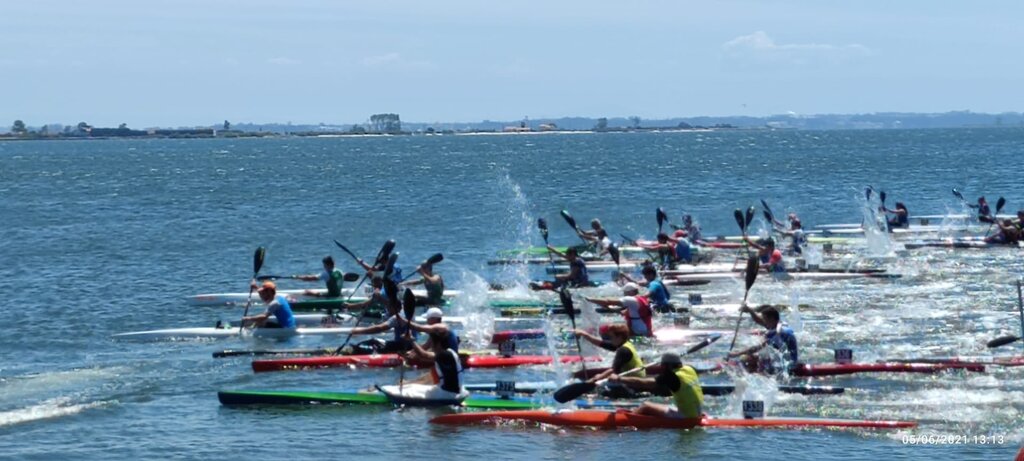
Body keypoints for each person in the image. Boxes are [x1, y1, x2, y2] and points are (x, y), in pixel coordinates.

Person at [609, 352, 704, 419]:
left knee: (646, 406)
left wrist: (619, 378)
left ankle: (625, 422)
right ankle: (638, 414)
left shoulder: (671, 377)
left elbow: (643, 383)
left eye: (662, 366)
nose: (662, 368)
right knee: (656, 406)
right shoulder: (689, 369)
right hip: (697, 413)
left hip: (686, 416)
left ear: (667, 366)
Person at [343, 278, 419, 354]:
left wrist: (358, 331)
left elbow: (379, 328)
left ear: (395, 307)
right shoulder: (406, 312)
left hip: (403, 347)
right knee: (373, 341)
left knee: (373, 342)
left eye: (389, 308)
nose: (388, 310)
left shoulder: (397, 317)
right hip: (408, 344)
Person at [400, 307, 464, 394]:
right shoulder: (437, 334)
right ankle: (409, 383)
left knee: (414, 387)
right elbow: (426, 346)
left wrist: (404, 322)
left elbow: (424, 353)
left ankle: (408, 384)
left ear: (434, 319)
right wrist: (412, 353)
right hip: (448, 363)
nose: (427, 321)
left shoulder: (442, 327)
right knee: (426, 377)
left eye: (428, 319)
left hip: (447, 364)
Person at [574, 325, 645, 398]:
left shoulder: (623, 350)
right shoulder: (625, 344)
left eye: (611, 337)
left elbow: (613, 371)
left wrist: (593, 380)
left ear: (619, 337)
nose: (610, 340)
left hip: (633, 384)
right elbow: (601, 343)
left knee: (599, 390)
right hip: (633, 380)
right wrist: (585, 334)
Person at [727, 305, 799, 374]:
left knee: (746, 359)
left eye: (765, 319)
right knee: (758, 356)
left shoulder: (776, 332)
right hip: (790, 361)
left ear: (771, 319)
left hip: (785, 367)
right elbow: (759, 321)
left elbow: (757, 348)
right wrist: (750, 311)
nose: (763, 322)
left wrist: (736, 354)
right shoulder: (782, 325)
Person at [584, 283, 654, 337]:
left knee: (605, 331)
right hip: (645, 330)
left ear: (630, 292)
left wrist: (589, 299)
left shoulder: (630, 299)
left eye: (625, 292)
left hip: (637, 331)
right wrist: (609, 308)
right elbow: (624, 312)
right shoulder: (641, 299)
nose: (624, 294)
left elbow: (607, 301)